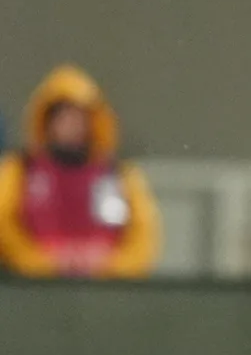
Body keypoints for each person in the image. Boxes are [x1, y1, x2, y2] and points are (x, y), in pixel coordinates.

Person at [0, 65, 161, 279]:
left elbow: (144, 233)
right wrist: (41, 262)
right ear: (47, 122)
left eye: (78, 118)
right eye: (63, 118)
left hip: (104, 291)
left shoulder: (118, 175)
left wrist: (111, 266)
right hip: (35, 290)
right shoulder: (21, 170)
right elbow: (5, 225)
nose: (71, 126)